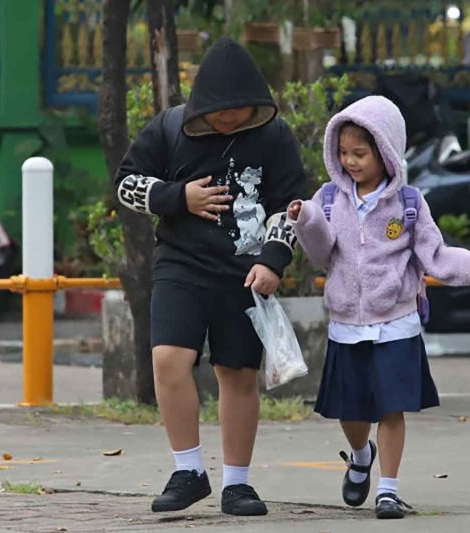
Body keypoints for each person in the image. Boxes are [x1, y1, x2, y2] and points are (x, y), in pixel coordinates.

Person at [114, 36, 306, 516]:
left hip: (245, 273)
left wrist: (274, 259)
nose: (228, 118)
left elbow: (292, 205)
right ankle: (189, 470)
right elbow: (126, 183)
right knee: (168, 361)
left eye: (239, 109)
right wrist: (179, 198)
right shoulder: (171, 127)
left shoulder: (275, 136)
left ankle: (237, 484)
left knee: (237, 374)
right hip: (180, 265)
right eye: (220, 110)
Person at [288, 95, 470, 519]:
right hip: (347, 323)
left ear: (386, 151)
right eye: (344, 153)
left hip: (396, 321)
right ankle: (361, 454)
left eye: (360, 153)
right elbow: (321, 253)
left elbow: (434, 254)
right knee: (351, 412)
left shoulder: (410, 204)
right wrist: (306, 220)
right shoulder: (329, 198)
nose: (350, 162)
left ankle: (388, 489)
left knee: (390, 407)